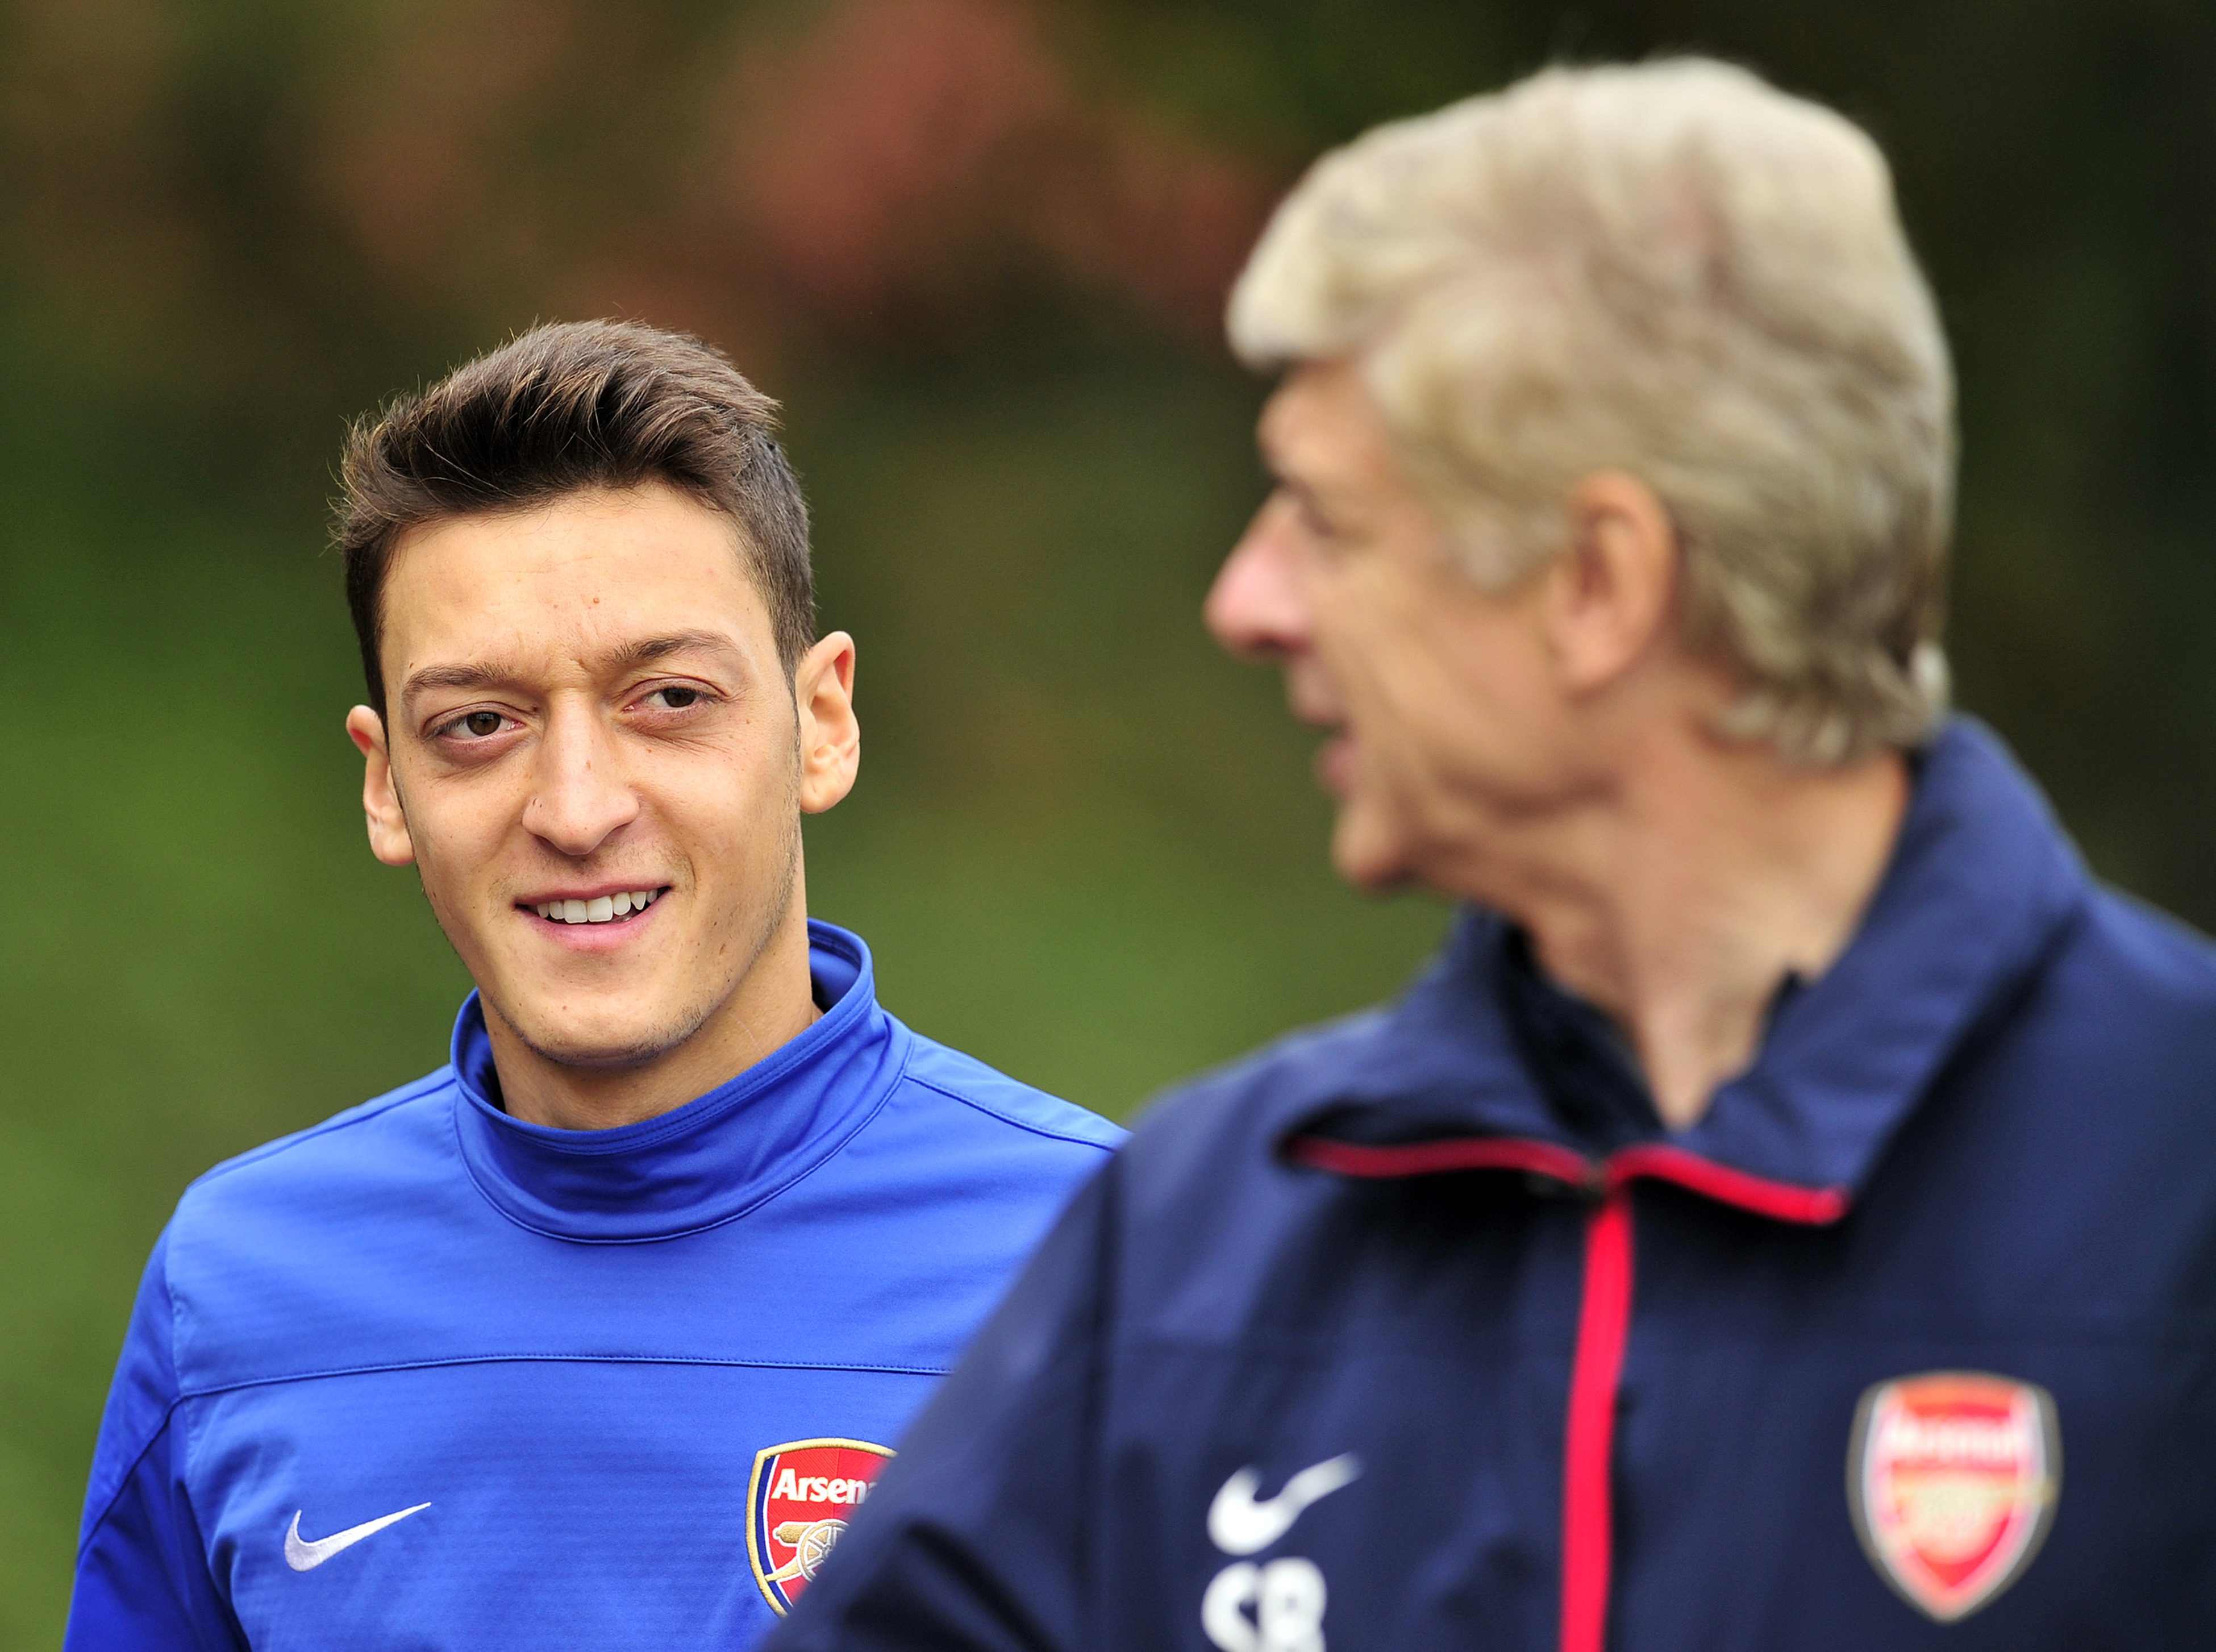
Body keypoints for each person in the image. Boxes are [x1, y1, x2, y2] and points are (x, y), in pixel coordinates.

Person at [764, 58, 2216, 1652]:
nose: (1245, 603)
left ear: (1598, 583)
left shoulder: (2174, 1172)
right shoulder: (1200, 1238)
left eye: (1325, 521)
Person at [64, 320, 1123, 1650]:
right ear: (387, 783)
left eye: (670, 698)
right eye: (478, 724)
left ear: (823, 722)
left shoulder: (1113, 1264)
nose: (576, 808)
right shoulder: (236, 1291)